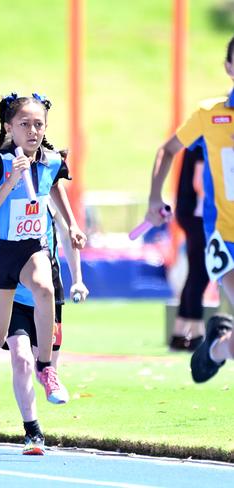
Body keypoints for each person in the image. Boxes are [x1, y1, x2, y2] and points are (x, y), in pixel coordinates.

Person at [0, 92, 86, 436]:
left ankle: (46, 367)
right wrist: (10, 182)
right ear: (9, 127)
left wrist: (72, 224)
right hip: (1, 253)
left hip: (32, 248)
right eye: (24, 124)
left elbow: (54, 190)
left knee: (45, 288)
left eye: (38, 124)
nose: (32, 131)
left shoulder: (50, 160)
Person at [0, 204, 89, 454]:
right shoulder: (6, 198)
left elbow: (67, 237)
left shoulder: (49, 198)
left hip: (48, 295)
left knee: (48, 362)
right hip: (13, 295)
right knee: (21, 361)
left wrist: (78, 280)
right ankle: (33, 431)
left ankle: (47, 372)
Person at [146, 36, 234, 383]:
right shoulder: (209, 115)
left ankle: (216, 348)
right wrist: (154, 198)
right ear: (229, 67)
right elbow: (167, 150)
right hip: (224, 239)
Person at [170, 143, 209, 351]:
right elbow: (200, 182)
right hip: (198, 214)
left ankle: (179, 333)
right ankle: (196, 333)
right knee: (200, 274)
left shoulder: (198, 138)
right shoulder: (205, 139)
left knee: (196, 272)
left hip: (192, 213)